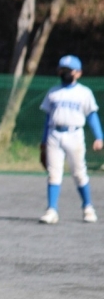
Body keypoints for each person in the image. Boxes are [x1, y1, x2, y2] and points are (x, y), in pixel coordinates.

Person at [38, 55, 104, 224]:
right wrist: (43, 141)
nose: (65, 73)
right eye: (62, 70)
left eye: (69, 70)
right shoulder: (53, 92)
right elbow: (47, 119)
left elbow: (92, 116)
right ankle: (52, 210)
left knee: (79, 173)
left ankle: (88, 207)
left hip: (74, 135)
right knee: (53, 174)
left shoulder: (84, 93)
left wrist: (99, 137)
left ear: (78, 73)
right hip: (54, 134)